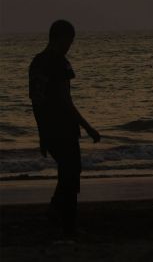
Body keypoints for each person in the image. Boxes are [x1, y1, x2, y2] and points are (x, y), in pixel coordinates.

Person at [28, 20, 101, 238]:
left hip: (49, 129)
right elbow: (65, 100)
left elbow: (35, 102)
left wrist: (42, 135)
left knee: (67, 174)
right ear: (61, 38)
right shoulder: (59, 63)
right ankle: (66, 223)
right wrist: (88, 127)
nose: (70, 46)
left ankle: (57, 214)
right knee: (71, 176)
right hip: (64, 128)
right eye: (69, 41)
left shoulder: (36, 63)